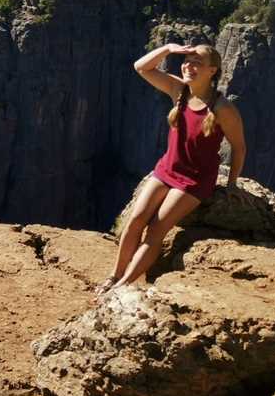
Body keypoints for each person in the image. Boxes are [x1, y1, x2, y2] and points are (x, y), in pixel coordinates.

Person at [93, 41, 248, 299]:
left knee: (155, 230)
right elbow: (141, 67)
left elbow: (239, 148)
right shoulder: (179, 90)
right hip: (166, 170)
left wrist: (231, 185)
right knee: (135, 220)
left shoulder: (223, 109)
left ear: (212, 70)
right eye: (187, 60)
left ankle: (124, 285)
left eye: (197, 62)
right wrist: (168, 49)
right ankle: (116, 274)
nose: (189, 65)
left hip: (194, 180)